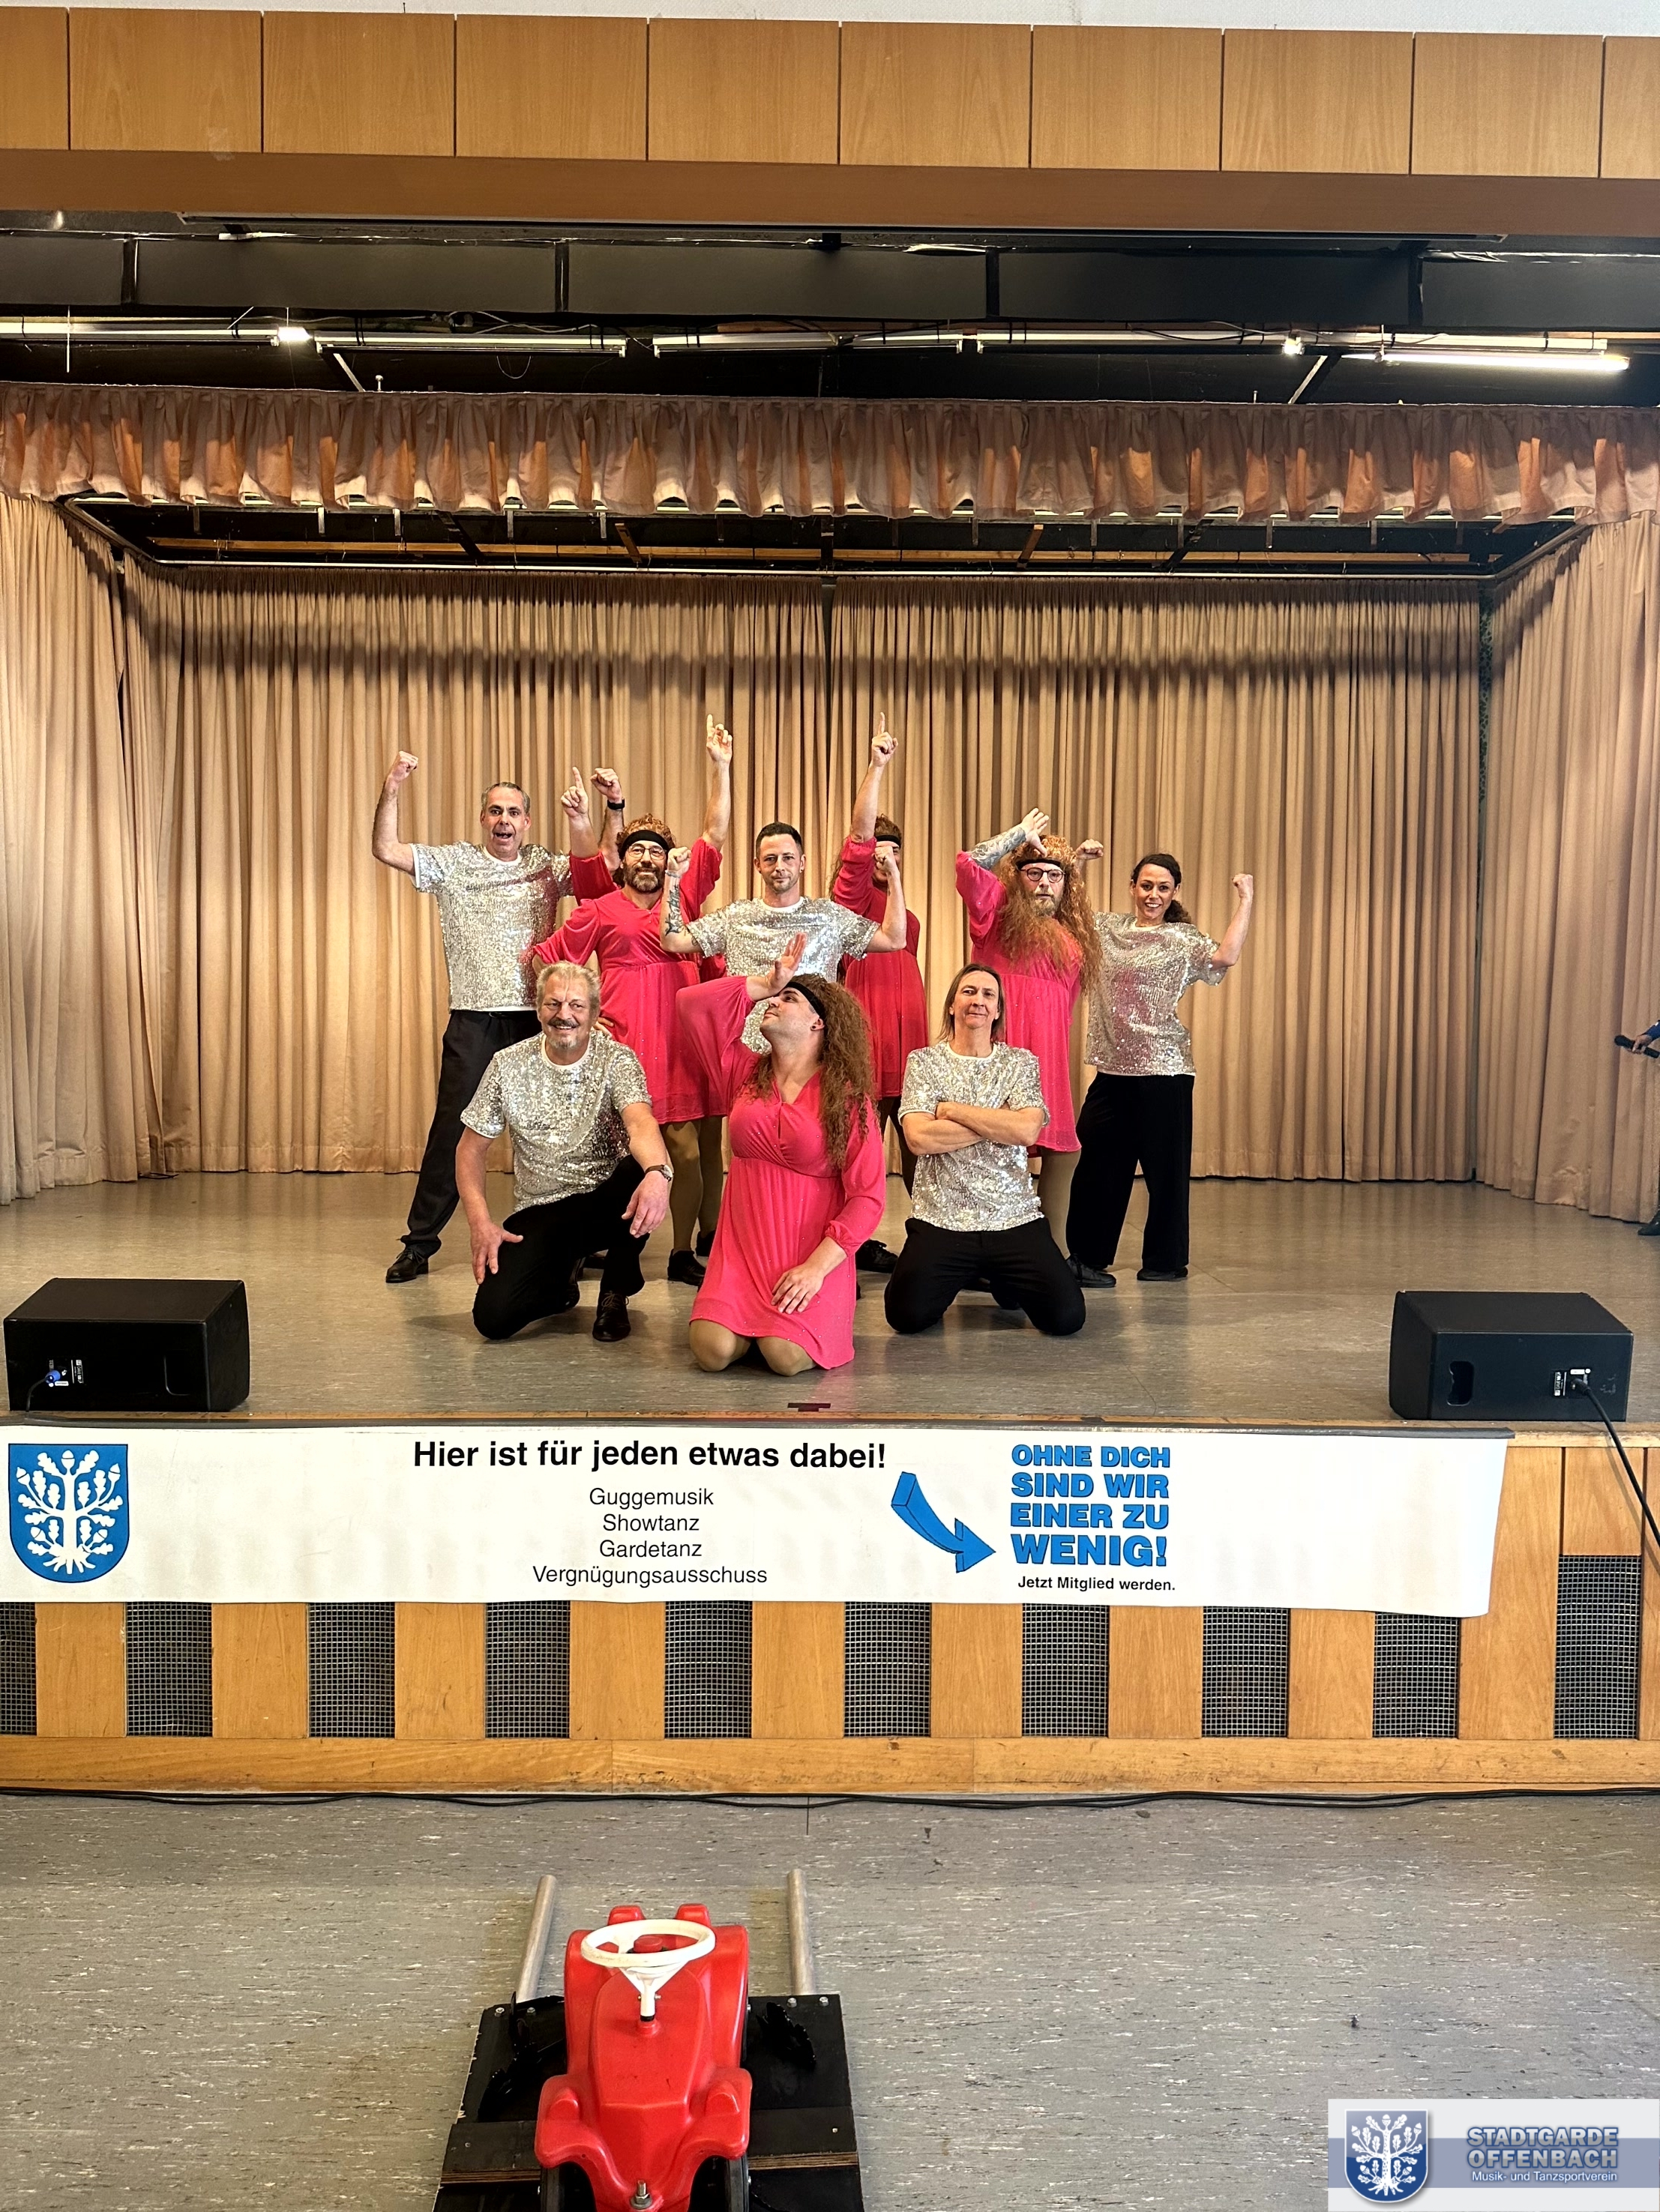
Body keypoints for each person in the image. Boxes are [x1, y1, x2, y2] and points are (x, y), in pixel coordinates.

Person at [373, 753, 622, 1285]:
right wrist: (392, 786)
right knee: (455, 1129)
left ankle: (578, 1240)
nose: (504, 820)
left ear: (526, 821)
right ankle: (420, 1242)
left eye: (513, 812)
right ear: (483, 819)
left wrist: (611, 807)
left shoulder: (545, 865)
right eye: (495, 811)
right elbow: (386, 848)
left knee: (566, 1126)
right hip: (475, 1018)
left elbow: (602, 867)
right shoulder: (455, 863)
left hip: (541, 1018)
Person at [526, 720, 733, 1288]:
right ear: (624, 860)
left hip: (683, 1040)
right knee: (611, 1155)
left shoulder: (685, 895)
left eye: (657, 851)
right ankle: (598, 1245)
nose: (647, 858)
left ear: (668, 861)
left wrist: (721, 768)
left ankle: (682, 1250)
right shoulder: (597, 909)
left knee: (685, 1152)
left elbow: (715, 833)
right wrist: (568, 1015)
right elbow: (548, 959)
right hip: (624, 1044)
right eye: (637, 849)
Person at [676, 933, 885, 1376]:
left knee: (784, 1357)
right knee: (710, 1351)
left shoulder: (847, 1098)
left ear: (818, 1023)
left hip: (810, 1258)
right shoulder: (741, 1072)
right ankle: (749, 1324)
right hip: (741, 1254)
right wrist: (764, 984)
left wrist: (816, 1269)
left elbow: (868, 1199)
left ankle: (775, 1328)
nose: (773, 1003)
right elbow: (691, 1005)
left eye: (789, 998)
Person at [456, 961, 671, 1344]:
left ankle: (615, 1289)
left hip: (607, 1202)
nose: (564, 1015)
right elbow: (469, 1150)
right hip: (540, 1209)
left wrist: (658, 1172)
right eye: (553, 1004)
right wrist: (480, 1223)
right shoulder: (507, 1064)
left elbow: (641, 1122)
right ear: (539, 1010)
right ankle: (560, 1285)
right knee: (493, 1319)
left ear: (594, 1013)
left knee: (646, 1170)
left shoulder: (617, 1059)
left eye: (576, 1005)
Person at [1066, 853, 1255, 1283]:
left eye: (1163, 888)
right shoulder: (1107, 928)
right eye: (1147, 885)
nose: (1153, 895)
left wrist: (1246, 899)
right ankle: (1087, 1259)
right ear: (1133, 886)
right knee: (1098, 1167)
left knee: (1165, 1173)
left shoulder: (1181, 938)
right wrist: (1078, 865)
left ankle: (1165, 1262)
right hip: (1113, 1073)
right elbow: (1070, 914)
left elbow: (1225, 957)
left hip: (1165, 1073)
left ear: (1174, 893)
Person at [885, 966, 1086, 1338]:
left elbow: (1026, 1131)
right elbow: (919, 1138)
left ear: (997, 1011)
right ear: (952, 1005)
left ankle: (1003, 1279)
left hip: (1013, 1217)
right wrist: (1000, 1121)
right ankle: (976, 1274)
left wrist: (951, 1110)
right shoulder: (924, 1062)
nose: (978, 1000)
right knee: (906, 1316)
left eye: (988, 994)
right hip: (942, 1219)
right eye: (969, 992)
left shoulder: (1020, 1062)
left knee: (1066, 1318)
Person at [955, 808, 1109, 1282]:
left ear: (1067, 885)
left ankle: (1055, 1259)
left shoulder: (1073, 939)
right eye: (1034, 873)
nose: (1044, 883)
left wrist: (1068, 862)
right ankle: (987, 1260)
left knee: (1064, 1152)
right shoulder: (997, 919)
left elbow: (1063, 1007)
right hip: (999, 1063)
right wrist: (1018, 836)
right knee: (998, 1154)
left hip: (1049, 1065)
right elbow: (968, 865)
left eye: (1054, 876)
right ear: (1016, 878)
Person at [832, 713, 927, 1274]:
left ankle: (931, 1233)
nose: (886, 858)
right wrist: (878, 767)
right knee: (863, 1145)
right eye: (879, 850)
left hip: (909, 1041)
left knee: (917, 1142)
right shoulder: (851, 903)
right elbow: (860, 835)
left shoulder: (905, 912)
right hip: (867, 1041)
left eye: (895, 850)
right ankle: (856, 1241)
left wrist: (896, 879)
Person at [660, 813, 909, 989]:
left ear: (802, 863)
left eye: (788, 858)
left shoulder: (828, 916)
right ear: (758, 865)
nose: (779, 866)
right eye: (770, 859)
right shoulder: (735, 917)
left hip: (813, 1045)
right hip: (748, 1045)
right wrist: (672, 876)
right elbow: (672, 940)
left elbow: (894, 939)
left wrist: (893, 876)